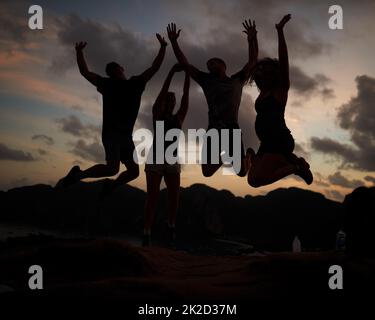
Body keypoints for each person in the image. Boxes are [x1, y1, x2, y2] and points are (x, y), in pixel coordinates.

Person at [58, 34, 168, 192]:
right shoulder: (117, 84)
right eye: (114, 70)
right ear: (120, 70)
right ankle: (77, 176)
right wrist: (163, 47)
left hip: (125, 136)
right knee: (112, 169)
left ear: (118, 70)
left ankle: (111, 185)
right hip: (112, 134)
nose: (115, 72)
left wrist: (79, 52)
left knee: (133, 172)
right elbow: (154, 68)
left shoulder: (129, 84)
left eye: (113, 69)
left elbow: (85, 72)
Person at [166, 20, 258, 177]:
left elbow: (253, 61)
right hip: (213, 130)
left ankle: (248, 155)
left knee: (242, 172)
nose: (210, 66)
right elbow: (185, 64)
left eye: (213, 63)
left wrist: (252, 39)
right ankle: (229, 156)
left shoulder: (237, 80)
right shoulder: (206, 79)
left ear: (224, 66)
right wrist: (174, 42)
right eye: (208, 65)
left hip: (231, 129)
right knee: (207, 171)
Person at [247, 14, 313, 188]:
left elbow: (284, 61)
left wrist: (280, 31)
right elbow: (253, 63)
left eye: (269, 71)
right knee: (251, 175)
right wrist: (252, 40)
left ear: (275, 75)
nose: (264, 72)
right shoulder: (263, 92)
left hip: (278, 140)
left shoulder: (280, 90)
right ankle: (293, 161)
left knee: (254, 181)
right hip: (266, 143)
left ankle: (294, 167)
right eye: (263, 70)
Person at [142, 64, 190, 247]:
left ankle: (170, 226)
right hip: (156, 158)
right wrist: (170, 72)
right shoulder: (157, 114)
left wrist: (187, 75)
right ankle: (146, 232)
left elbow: (186, 97)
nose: (170, 103)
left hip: (172, 159)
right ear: (163, 103)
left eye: (172, 102)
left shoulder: (179, 117)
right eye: (167, 101)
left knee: (174, 196)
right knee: (153, 196)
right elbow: (162, 93)